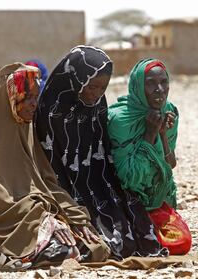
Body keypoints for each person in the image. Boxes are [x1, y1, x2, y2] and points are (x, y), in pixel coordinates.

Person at [0, 63, 109, 273]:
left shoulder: (24, 129)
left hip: (27, 215)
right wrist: (42, 218)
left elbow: (45, 184)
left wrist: (74, 216)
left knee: (93, 245)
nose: (34, 104)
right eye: (27, 97)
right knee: (63, 249)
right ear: (8, 97)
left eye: (36, 97)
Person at [35, 45, 167, 260]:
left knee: (132, 236)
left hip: (98, 184)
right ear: (76, 79)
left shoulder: (97, 104)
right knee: (93, 243)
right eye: (92, 87)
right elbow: (49, 162)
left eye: (102, 88)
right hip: (62, 189)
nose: (96, 94)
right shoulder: (50, 110)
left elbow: (103, 151)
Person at [107, 58, 192, 255]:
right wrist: (150, 134)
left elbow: (170, 164)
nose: (159, 89)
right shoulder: (120, 120)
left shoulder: (169, 112)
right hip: (126, 202)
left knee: (181, 242)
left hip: (156, 201)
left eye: (163, 82)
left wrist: (162, 134)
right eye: (151, 83)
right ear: (138, 86)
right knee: (132, 243)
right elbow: (128, 178)